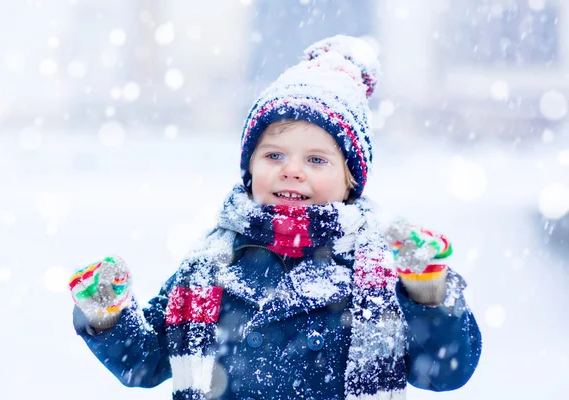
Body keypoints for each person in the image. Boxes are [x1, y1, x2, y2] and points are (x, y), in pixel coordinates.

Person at [69, 35, 481, 400]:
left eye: (316, 159)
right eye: (274, 155)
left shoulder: (375, 269)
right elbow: (147, 362)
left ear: (350, 181)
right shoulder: (210, 262)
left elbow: (443, 372)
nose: (292, 170)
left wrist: (426, 290)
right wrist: (109, 314)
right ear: (249, 168)